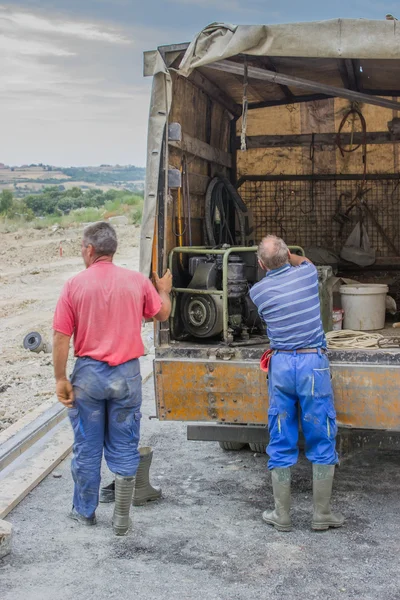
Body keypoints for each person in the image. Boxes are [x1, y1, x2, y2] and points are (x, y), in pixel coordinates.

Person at [52, 221, 172, 536]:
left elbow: (61, 337)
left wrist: (60, 378)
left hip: (89, 377)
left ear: (90, 250)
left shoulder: (74, 285)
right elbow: (162, 315)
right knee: (124, 443)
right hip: (127, 376)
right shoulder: (135, 282)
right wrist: (163, 291)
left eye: (81, 247)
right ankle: (121, 519)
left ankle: (85, 512)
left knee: (87, 446)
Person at [250, 235, 344, 532]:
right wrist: (290, 256)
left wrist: (274, 261)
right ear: (289, 254)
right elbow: (305, 262)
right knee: (321, 434)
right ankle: (321, 514)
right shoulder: (305, 274)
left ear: (261, 264)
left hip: (280, 366)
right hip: (311, 365)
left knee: (281, 435)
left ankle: (283, 516)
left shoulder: (258, 292)